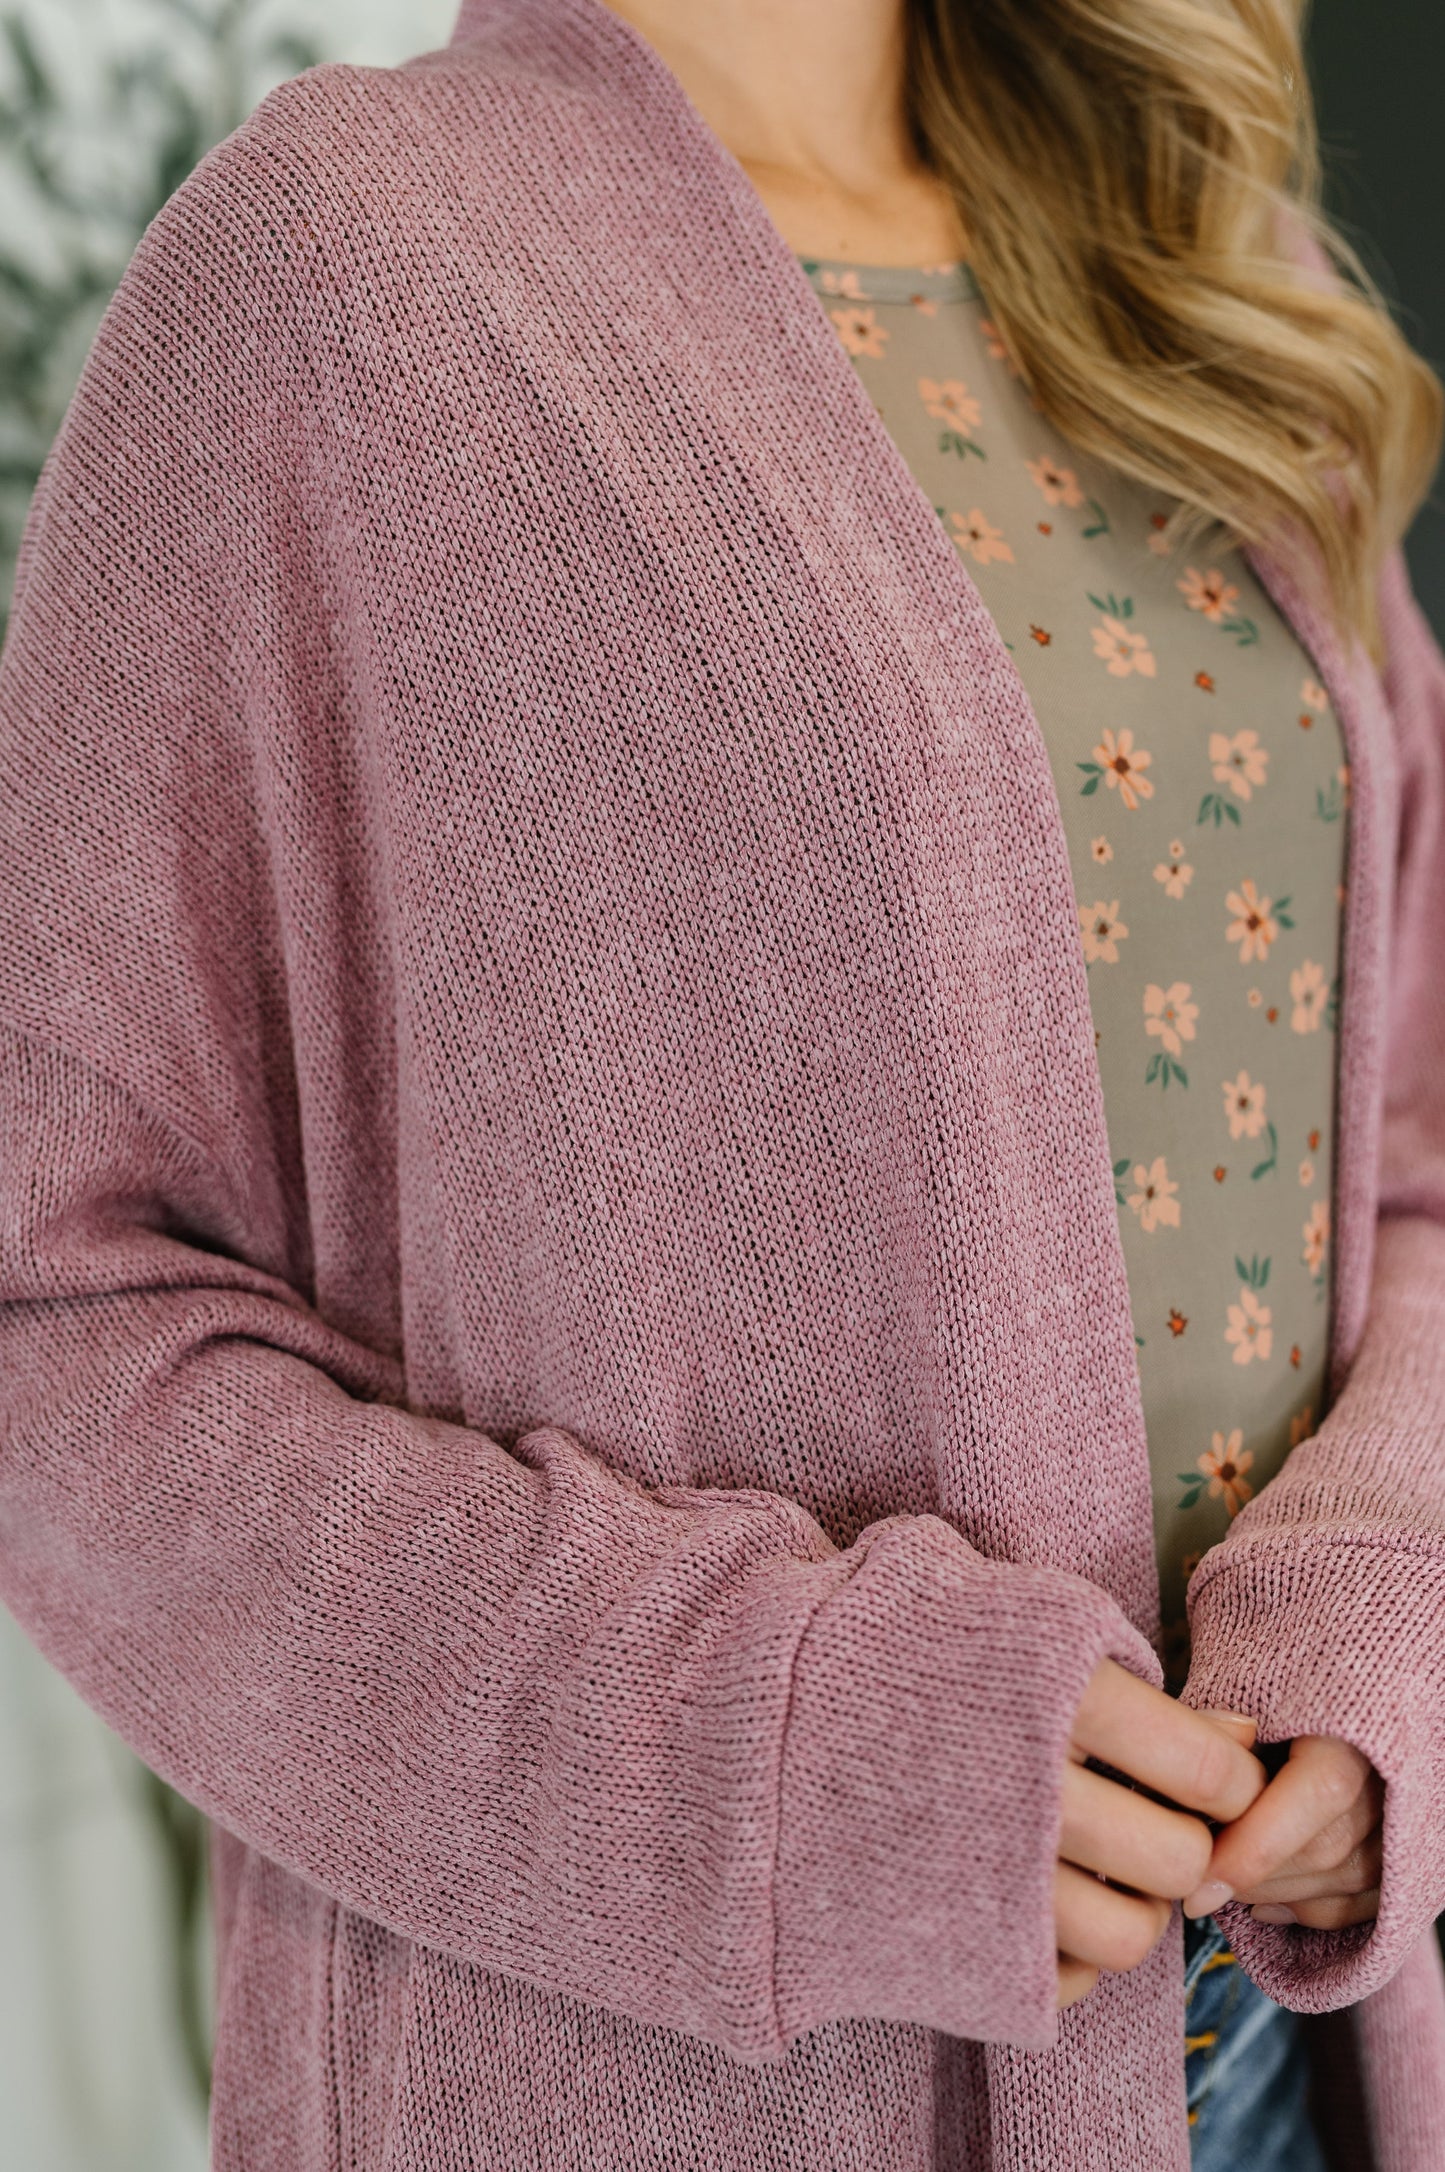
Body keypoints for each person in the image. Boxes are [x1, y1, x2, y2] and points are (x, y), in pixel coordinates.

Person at [1, 0, 1442, 2165]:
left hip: (1287, 2052)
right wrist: (781, 1757)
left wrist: (1388, 1634)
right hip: (668, 2096)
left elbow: (1411, 1137)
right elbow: (53, 1318)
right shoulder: (343, 271)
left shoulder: (1215, 272)